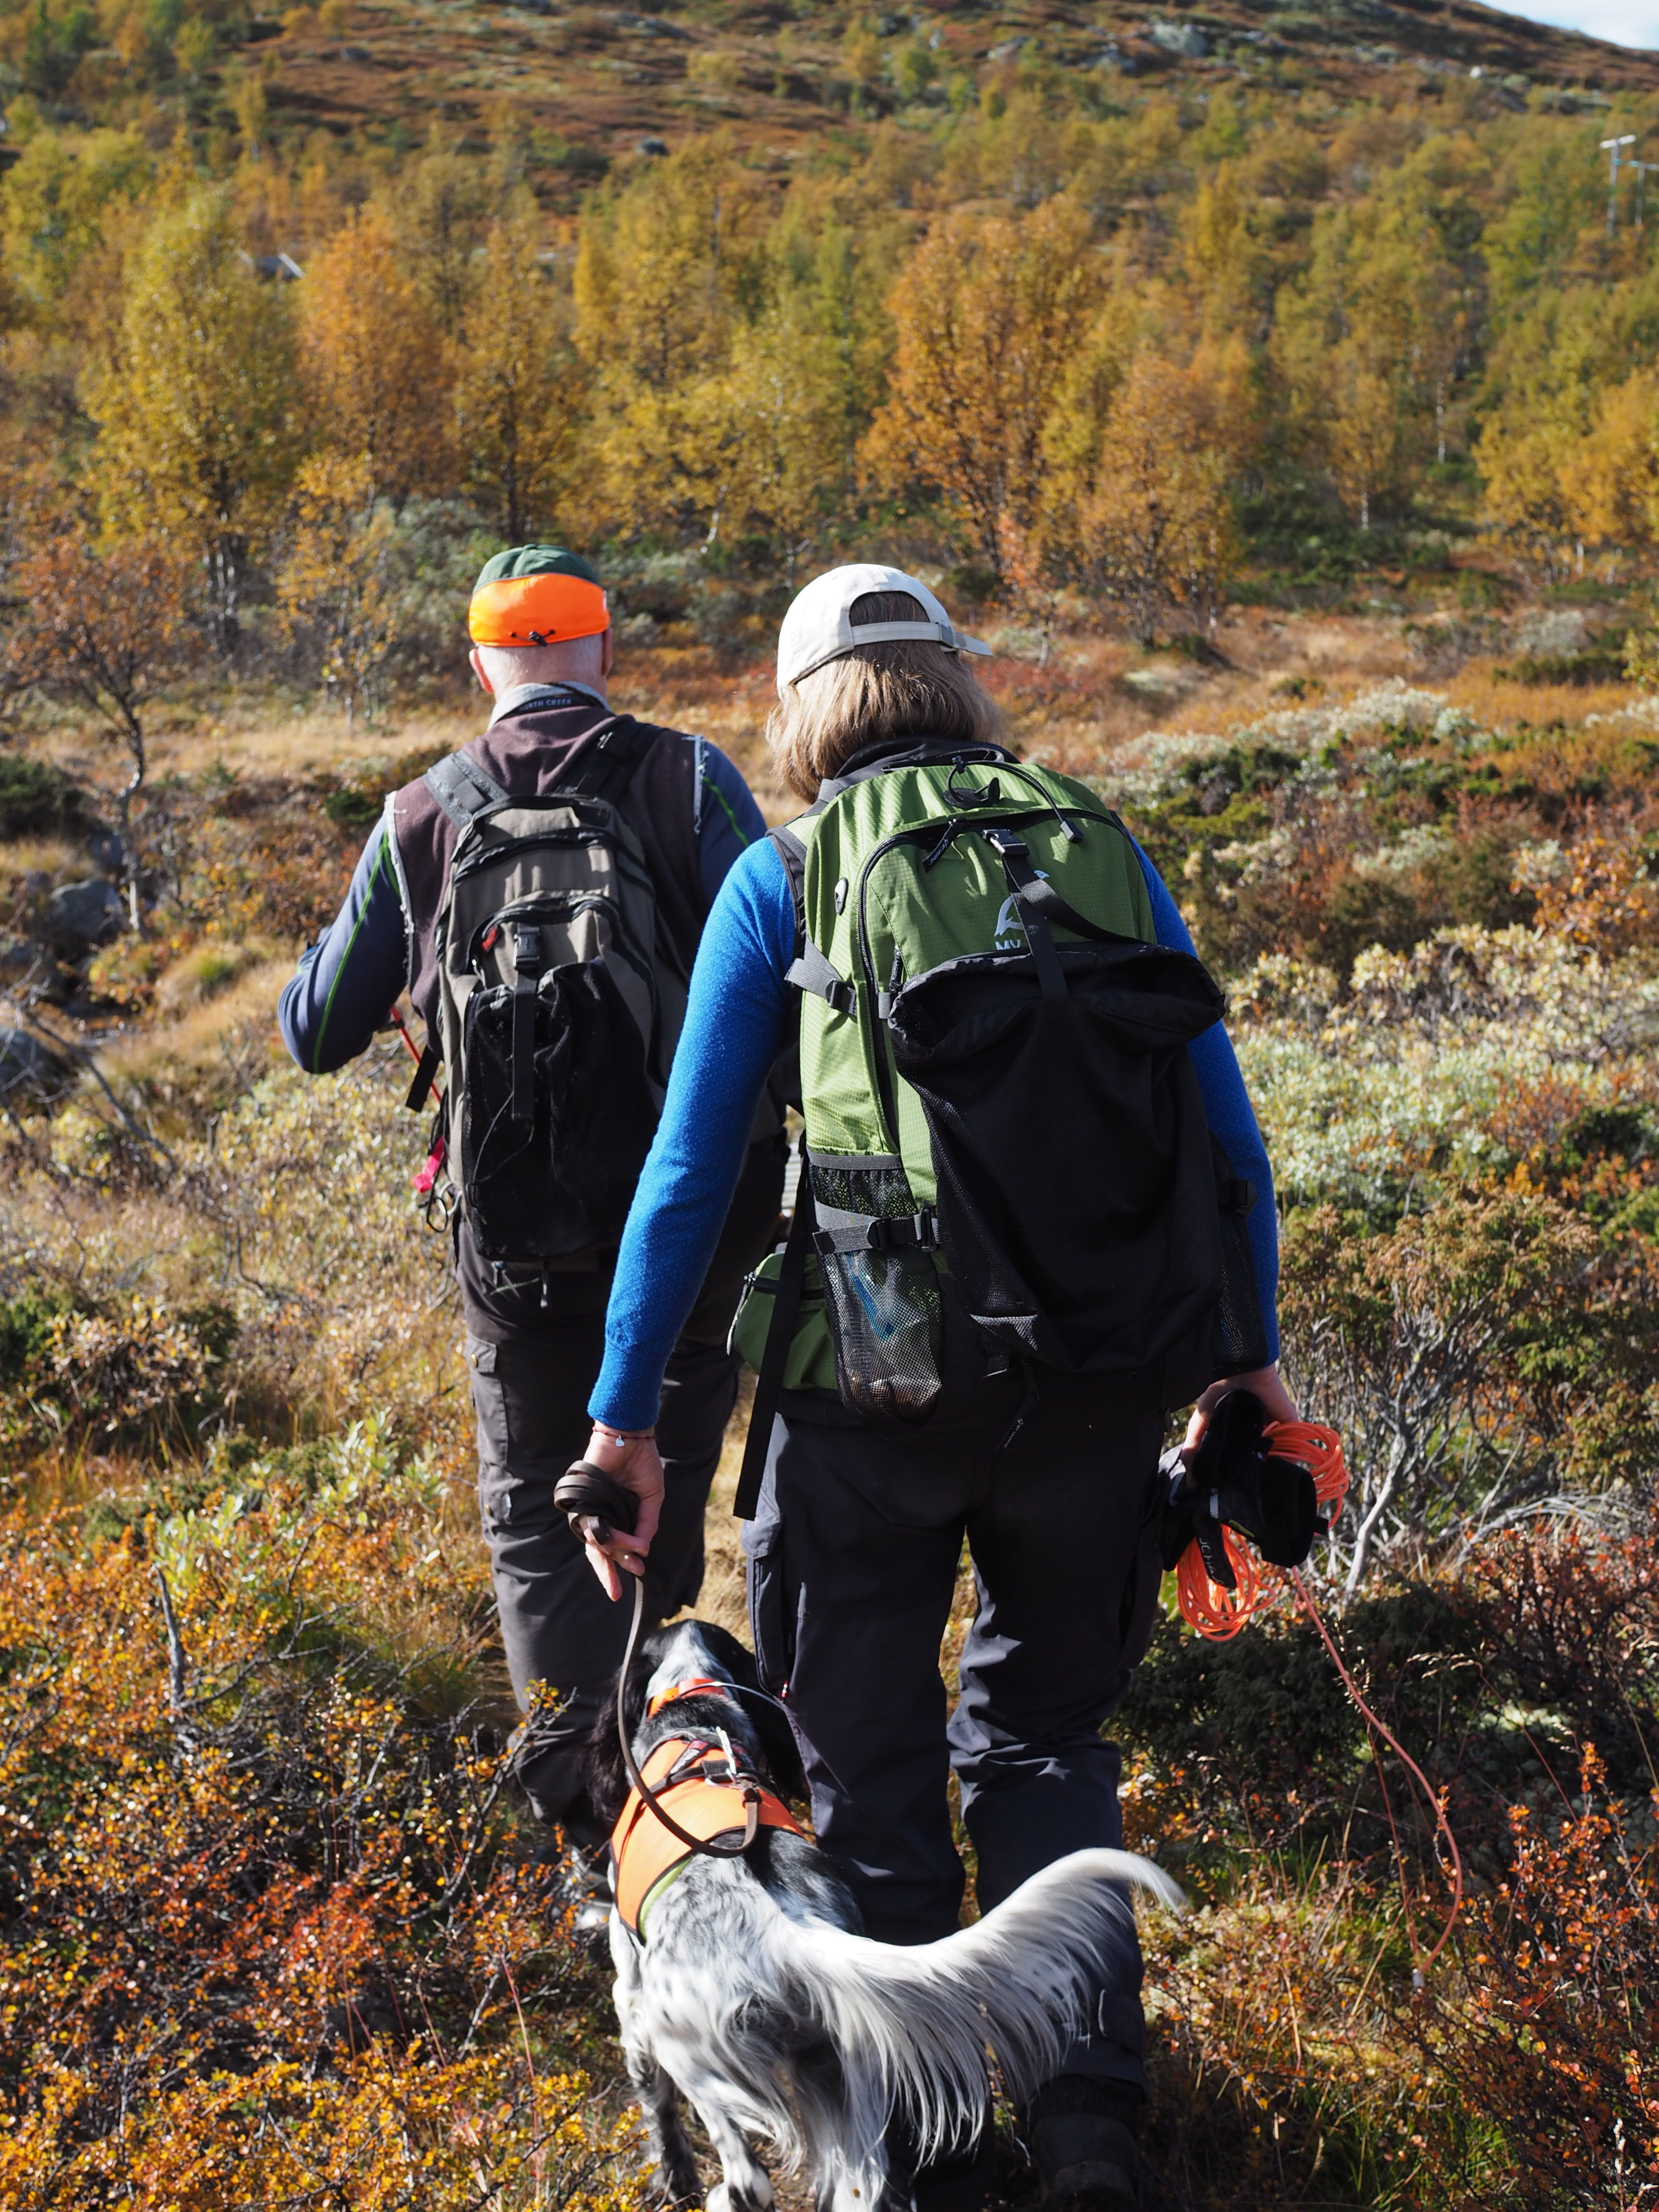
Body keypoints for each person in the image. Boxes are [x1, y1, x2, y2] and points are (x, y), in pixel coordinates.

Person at [572, 564, 1296, 2212]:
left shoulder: (784, 876)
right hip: (1100, 1385)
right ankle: (1090, 2128)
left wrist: (624, 1422)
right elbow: (1232, 1146)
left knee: (861, 1769)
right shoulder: (1099, 844)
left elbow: (688, 1176)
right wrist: (1246, 1367)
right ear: (956, 679)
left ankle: (931, 2144)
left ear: (803, 707)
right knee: (1046, 1743)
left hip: (870, 1394)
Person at [279, 545, 785, 1844]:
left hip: (515, 1256)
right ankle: (676, 1797)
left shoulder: (423, 813)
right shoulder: (689, 779)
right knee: (654, 1497)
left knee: (533, 1527)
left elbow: (316, 1028)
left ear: (479, 665)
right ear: (601, 650)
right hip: (696, 1243)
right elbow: (790, 984)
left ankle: (586, 1840)